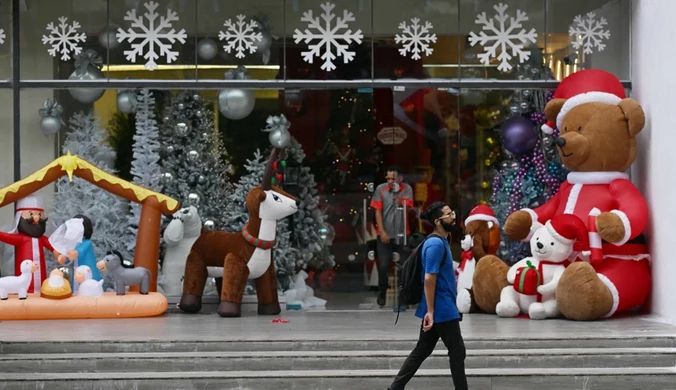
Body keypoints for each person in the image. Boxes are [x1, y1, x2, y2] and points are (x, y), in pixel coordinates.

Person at [388, 201, 468, 390]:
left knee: (422, 350)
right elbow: (429, 278)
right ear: (438, 222)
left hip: (440, 305)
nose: (453, 217)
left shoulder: (442, 241)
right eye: (449, 214)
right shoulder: (434, 244)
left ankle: (395, 388)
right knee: (457, 351)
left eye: (453, 212)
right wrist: (430, 311)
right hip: (441, 308)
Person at [370, 166, 414, 307]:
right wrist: (382, 232)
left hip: (402, 234)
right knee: (383, 264)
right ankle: (382, 291)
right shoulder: (381, 189)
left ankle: (403, 297)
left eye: (393, 179)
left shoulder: (406, 189)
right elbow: (377, 211)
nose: (390, 181)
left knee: (404, 266)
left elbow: (409, 209)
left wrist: (400, 199)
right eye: (388, 178)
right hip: (385, 234)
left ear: (400, 179)